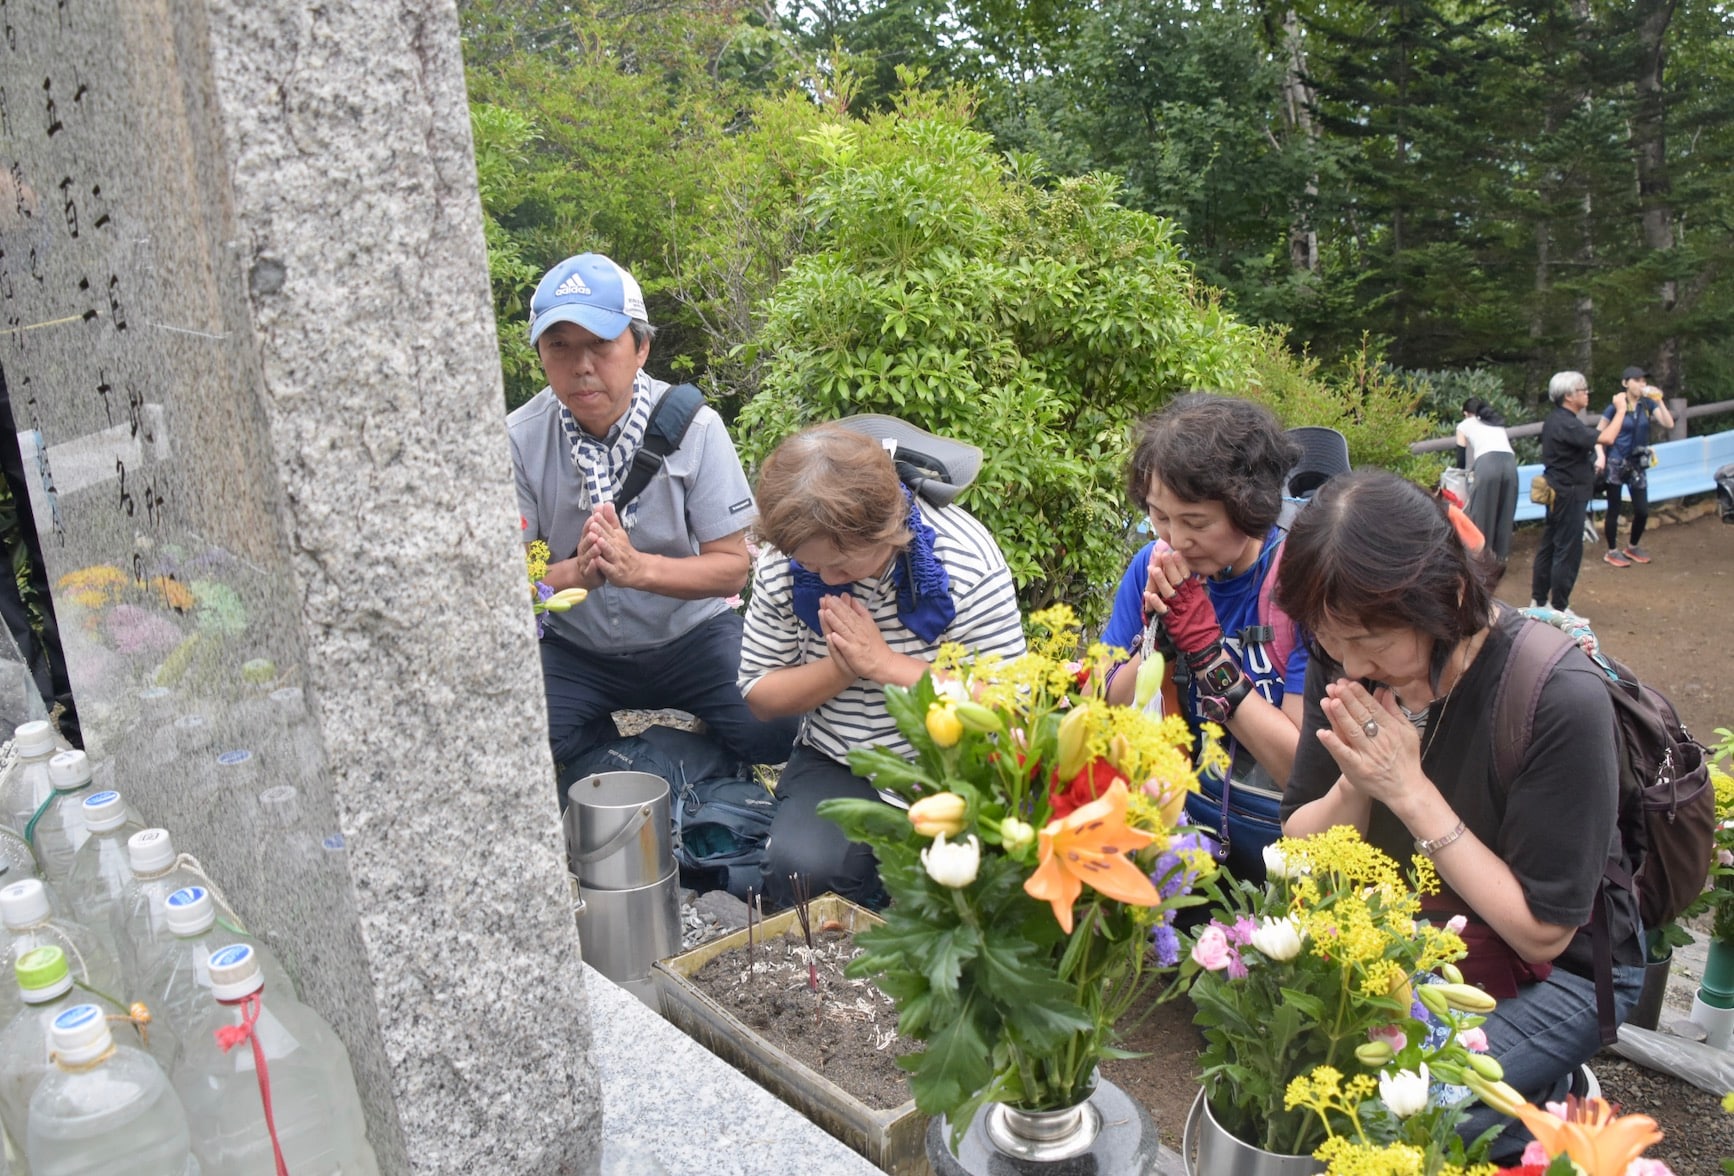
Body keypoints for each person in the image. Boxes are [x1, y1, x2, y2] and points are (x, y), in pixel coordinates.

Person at [1277, 470, 1642, 1162]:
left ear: (1445, 597)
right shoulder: (1349, 654)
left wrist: (1409, 791)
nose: (1352, 664)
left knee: (1391, 1120)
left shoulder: (1558, 696)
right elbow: (1298, 845)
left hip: (1560, 969)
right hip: (1421, 946)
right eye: (1330, 641)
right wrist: (1359, 784)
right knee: (1289, 1087)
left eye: (1374, 640)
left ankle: (1544, 1106)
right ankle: (1530, 1097)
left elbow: (1543, 933)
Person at [509, 252, 798, 789]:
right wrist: (579, 573)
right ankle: (623, 753)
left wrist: (637, 569)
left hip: (689, 635)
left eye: (600, 343)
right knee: (518, 733)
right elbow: (509, 582)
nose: (582, 365)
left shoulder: (696, 428)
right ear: (541, 357)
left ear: (640, 347)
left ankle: (680, 747)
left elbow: (733, 569)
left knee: (775, 728)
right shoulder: (519, 439)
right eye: (560, 346)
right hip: (577, 646)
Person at [738, 423, 1025, 909]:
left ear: (889, 529)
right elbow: (761, 694)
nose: (827, 579)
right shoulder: (786, 557)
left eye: (843, 566)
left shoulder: (965, 560)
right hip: (840, 754)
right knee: (799, 874)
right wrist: (842, 669)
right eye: (812, 567)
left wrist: (886, 663)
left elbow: (1008, 703)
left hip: (950, 762)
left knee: (964, 901)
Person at [1101, 395, 1308, 883]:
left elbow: (1300, 771)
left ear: (1251, 508)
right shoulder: (1149, 566)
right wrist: (1159, 642)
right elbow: (1108, 699)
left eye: (1196, 522)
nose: (1174, 539)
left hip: (1285, 863)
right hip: (1183, 846)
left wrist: (1206, 650)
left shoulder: (1298, 586)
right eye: (1159, 515)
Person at [1528, 371, 1626, 622]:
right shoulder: (1567, 422)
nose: (1587, 393)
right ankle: (1560, 608)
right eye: (1583, 390)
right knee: (1567, 550)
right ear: (1569, 396)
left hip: (1558, 491)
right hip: (1569, 493)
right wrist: (1621, 409)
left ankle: (1539, 600)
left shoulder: (1556, 421)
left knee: (1550, 545)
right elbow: (1606, 437)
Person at [1600, 365, 1674, 568]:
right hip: (1616, 461)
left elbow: (1668, 424)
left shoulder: (1647, 404)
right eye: (1637, 380)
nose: (1641, 384)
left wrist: (1659, 400)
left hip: (1637, 463)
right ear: (1625, 383)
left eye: (1644, 380)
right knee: (1614, 509)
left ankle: (1632, 546)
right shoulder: (1616, 405)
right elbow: (1600, 432)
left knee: (1642, 510)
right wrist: (1600, 456)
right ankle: (1611, 550)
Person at [1454, 397, 1517, 565]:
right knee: (1504, 512)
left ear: (1466, 413)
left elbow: (1460, 459)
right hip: (1510, 464)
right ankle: (1500, 560)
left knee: (1482, 513)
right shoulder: (1496, 424)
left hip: (1488, 464)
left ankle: (1480, 562)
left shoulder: (1464, 425)